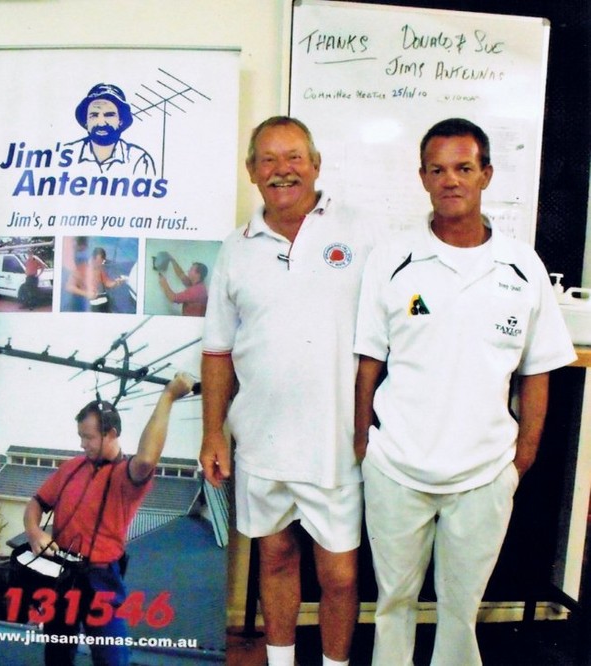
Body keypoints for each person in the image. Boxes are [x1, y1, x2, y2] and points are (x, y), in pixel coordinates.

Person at [353, 118, 576, 666]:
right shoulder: (392, 259)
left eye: (464, 168)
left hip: (483, 473)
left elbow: (538, 370)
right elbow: (368, 361)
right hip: (397, 467)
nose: (450, 180)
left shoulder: (522, 266)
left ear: (487, 175)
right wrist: (364, 444)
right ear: (423, 178)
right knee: (393, 601)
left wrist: (520, 458)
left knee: (460, 607)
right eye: (437, 169)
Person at [201, 116, 374, 666]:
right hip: (261, 437)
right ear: (252, 172)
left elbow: (404, 317)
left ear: (316, 164)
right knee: (274, 557)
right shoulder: (236, 247)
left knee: (340, 574)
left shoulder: (363, 233)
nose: (282, 170)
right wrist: (213, 433)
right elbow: (217, 351)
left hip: (338, 439)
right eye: (268, 160)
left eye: (294, 157)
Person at [23, 372, 196, 665]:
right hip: (62, 575)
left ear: (112, 433)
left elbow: (146, 459)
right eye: (80, 436)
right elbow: (36, 504)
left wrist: (168, 396)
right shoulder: (73, 467)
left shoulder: (126, 475)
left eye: (88, 437)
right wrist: (34, 532)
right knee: (56, 655)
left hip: (101, 579)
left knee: (111, 658)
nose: (82, 444)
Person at [66, 83, 156, 176]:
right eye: (94, 115)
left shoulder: (139, 159)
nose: (101, 123)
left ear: (120, 121)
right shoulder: (67, 154)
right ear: (86, 121)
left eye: (109, 115)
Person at [64, 246, 128, 313]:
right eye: (99, 262)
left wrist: (116, 282)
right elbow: (69, 287)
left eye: (102, 262)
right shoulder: (80, 269)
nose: (100, 264)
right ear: (92, 258)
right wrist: (86, 293)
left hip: (99, 302)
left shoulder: (99, 269)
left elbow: (107, 283)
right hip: (85, 304)